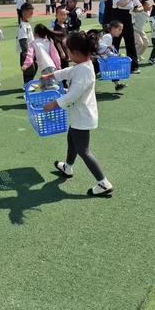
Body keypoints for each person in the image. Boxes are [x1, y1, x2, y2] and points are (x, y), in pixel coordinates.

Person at [42, 31, 113, 197]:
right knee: (72, 139)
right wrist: (52, 75)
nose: (67, 54)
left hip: (83, 116)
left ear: (75, 53)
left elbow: (73, 94)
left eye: (68, 51)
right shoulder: (82, 65)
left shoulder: (84, 71)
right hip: (80, 115)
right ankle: (67, 166)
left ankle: (103, 182)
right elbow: (68, 72)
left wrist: (54, 104)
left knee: (84, 150)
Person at [111, 0, 141, 73]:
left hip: (128, 19)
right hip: (117, 20)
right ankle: (112, 66)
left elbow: (141, 7)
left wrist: (136, 9)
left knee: (130, 43)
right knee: (114, 44)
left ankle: (133, 67)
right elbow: (123, 3)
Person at [22, 24, 61, 90]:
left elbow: (30, 55)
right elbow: (55, 55)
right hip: (51, 66)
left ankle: (63, 91)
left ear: (36, 33)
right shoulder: (48, 42)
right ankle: (47, 99)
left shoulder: (33, 43)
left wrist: (26, 65)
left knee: (48, 86)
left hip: (46, 68)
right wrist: (58, 66)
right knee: (43, 87)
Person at [95, 20, 127, 91]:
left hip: (101, 59)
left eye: (121, 30)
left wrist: (116, 55)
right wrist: (107, 46)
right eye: (119, 29)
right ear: (112, 28)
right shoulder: (108, 36)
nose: (120, 31)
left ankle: (117, 84)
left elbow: (107, 51)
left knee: (113, 66)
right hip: (99, 60)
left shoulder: (109, 36)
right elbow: (99, 46)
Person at [16, 2, 36, 87]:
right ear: (23, 12)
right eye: (29, 11)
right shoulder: (23, 26)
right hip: (26, 51)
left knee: (34, 66)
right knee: (28, 68)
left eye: (32, 11)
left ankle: (30, 82)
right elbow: (22, 39)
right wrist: (25, 52)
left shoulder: (27, 23)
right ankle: (27, 84)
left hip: (31, 50)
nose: (31, 13)